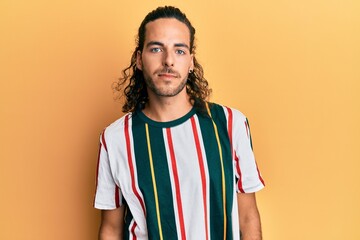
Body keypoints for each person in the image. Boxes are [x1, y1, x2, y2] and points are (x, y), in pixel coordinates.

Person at [94, 6, 265, 240]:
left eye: (180, 50)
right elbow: (111, 229)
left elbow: (248, 218)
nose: (168, 61)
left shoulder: (230, 124)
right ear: (139, 59)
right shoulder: (114, 139)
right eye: (156, 49)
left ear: (191, 62)